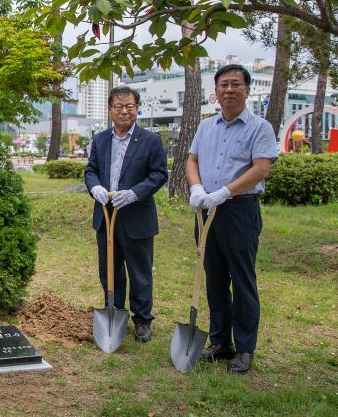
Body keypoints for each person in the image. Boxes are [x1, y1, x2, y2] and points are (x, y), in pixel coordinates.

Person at [187, 64, 279, 374]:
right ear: (215, 92)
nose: (229, 89)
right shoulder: (206, 127)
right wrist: (197, 187)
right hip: (206, 210)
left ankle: (245, 348)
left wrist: (226, 191)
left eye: (235, 84)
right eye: (223, 84)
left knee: (242, 281)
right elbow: (192, 160)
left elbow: (260, 169)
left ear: (247, 90)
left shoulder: (259, 127)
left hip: (239, 210)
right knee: (213, 279)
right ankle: (220, 342)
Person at [84, 86, 168, 343]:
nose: (124, 111)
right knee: (109, 270)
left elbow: (159, 174)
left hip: (136, 215)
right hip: (106, 215)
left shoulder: (150, 140)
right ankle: (115, 311)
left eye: (129, 106)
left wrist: (134, 193)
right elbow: (91, 170)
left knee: (140, 271)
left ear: (136, 108)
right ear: (110, 109)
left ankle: (142, 320)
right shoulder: (100, 139)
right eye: (119, 106)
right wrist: (95, 186)